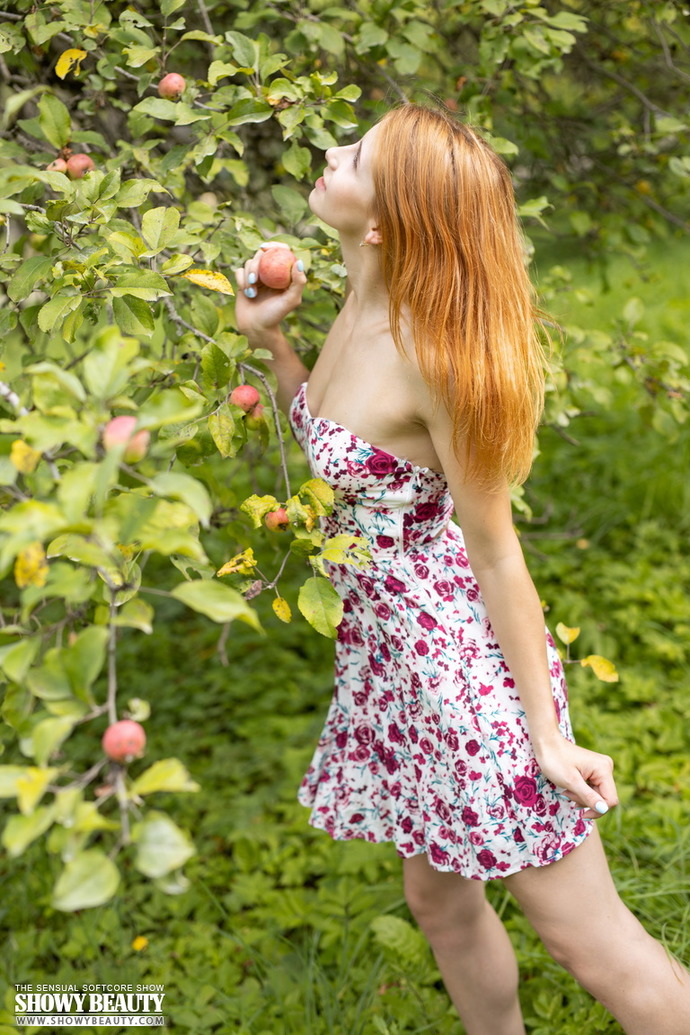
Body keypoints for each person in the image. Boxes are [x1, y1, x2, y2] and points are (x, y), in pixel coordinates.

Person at [234, 103, 690, 1035]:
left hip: (462, 678)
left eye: (354, 155)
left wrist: (543, 734)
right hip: (394, 671)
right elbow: (336, 457)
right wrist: (274, 344)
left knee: (588, 942)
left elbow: (496, 550)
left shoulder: (432, 359)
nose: (329, 152)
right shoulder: (359, 304)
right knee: (440, 904)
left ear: (387, 217)